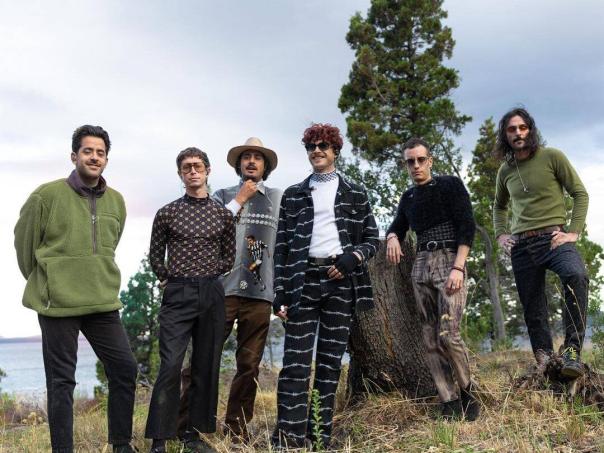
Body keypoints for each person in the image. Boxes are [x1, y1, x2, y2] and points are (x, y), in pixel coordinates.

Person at [14, 125, 137, 453]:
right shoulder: (46, 195)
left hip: (102, 302)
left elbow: (110, 245)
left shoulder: (117, 201)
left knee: (125, 369)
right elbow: (24, 246)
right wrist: (48, 282)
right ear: (74, 156)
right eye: (87, 151)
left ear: (106, 159)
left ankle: (121, 444)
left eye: (100, 153)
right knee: (62, 382)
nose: (94, 157)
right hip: (58, 304)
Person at [271, 123, 379, 449]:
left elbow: (372, 237)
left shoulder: (355, 192)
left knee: (330, 365)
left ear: (335, 150)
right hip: (302, 282)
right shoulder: (293, 194)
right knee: (295, 364)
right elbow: (281, 246)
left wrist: (352, 258)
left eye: (323, 146)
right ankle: (289, 440)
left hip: (340, 284)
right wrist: (279, 292)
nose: (316, 151)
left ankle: (319, 437)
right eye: (311, 146)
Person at [177, 137, 282, 442]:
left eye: (257, 157)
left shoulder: (278, 198)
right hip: (220, 291)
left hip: (260, 295)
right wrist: (241, 197)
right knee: (201, 360)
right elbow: (206, 230)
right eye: (246, 157)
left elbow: (286, 244)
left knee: (248, 366)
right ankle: (186, 429)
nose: (251, 161)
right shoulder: (221, 195)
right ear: (239, 164)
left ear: (265, 165)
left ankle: (236, 432)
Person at [144, 147, 235, 453]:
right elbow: (155, 255)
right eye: (186, 167)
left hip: (211, 293)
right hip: (177, 294)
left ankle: (193, 436)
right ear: (180, 174)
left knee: (205, 365)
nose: (192, 171)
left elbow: (229, 258)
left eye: (197, 166)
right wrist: (169, 278)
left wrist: (205, 274)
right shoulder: (167, 213)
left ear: (208, 170)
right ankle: (159, 438)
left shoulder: (223, 215)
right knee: (170, 365)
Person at [385, 138, 480, 421]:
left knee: (449, 333)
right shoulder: (408, 198)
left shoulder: (450, 185)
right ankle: (448, 401)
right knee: (429, 336)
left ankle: (469, 393)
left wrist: (459, 267)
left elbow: (467, 225)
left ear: (430, 161)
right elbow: (397, 225)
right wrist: (392, 237)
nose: (416, 166)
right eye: (410, 161)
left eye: (420, 160)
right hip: (421, 266)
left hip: (450, 260)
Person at [493, 107, 589, 377]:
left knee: (576, 275)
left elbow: (580, 193)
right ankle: (544, 360)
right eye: (512, 129)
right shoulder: (505, 170)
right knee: (533, 306)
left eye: (522, 128)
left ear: (531, 130)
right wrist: (501, 234)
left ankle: (572, 353)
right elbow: (499, 206)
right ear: (505, 135)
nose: (518, 133)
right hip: (522, 246)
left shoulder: (552, 156)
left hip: (554, 239)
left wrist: (574, 232)